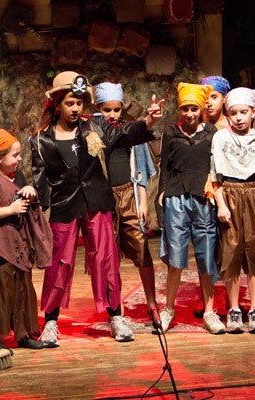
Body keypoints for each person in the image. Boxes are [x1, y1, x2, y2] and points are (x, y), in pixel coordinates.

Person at [30, 71, 163, 346]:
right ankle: (51, 321)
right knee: (60, 264)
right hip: (65, 206)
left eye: (79, 103)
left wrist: (149, 121)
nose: (76, 108)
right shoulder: (41, 140)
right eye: (70, 103)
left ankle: (115, 316)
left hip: (97, 202)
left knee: (105, 259)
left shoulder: (96, 127)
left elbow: (125, 134)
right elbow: (40, 181)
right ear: (57, 104)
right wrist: (37, 216)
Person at [211, 87, 255, 334]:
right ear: (228, 115)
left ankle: (254, 309)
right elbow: (215, 177)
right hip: (230, 194)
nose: (239, 117)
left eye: (243, 112)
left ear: (253, 112)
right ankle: (233, 309)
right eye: (233, 113)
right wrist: (221, 204)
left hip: (254, 195)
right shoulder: (221, 138)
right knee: (231, 253)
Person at [0, 129, 52, 352]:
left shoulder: (16, 176)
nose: (19, 159)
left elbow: (21, 195)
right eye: (15, 155)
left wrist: (29, 189)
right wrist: (10, 209)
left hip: (17, 242)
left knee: (22, 289)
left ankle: (23, 333)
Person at [157, 83, 224, 334]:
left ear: (201, 109)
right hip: (176, 197)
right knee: (175, 256)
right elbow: (164, 167)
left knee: (206, 255)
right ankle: (169, 309)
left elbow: (216, 166)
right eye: (185, 109)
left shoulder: (211, 133)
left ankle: (209, 311)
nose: (189, 114)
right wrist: (161, 197)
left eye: (194, 109)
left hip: (203, 198)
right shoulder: (171, 132)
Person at [93, 82, 157, 341]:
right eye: (106, 109)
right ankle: (115, 312)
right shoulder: (92, 132)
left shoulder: (129, 132)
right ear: (97, 108)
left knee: (141, 249)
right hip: (104, 199)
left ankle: (152, 303)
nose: (112, 114)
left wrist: (142, 201)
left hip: (128, 195)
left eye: (116, 109)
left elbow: (140, 169)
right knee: (109, 257)